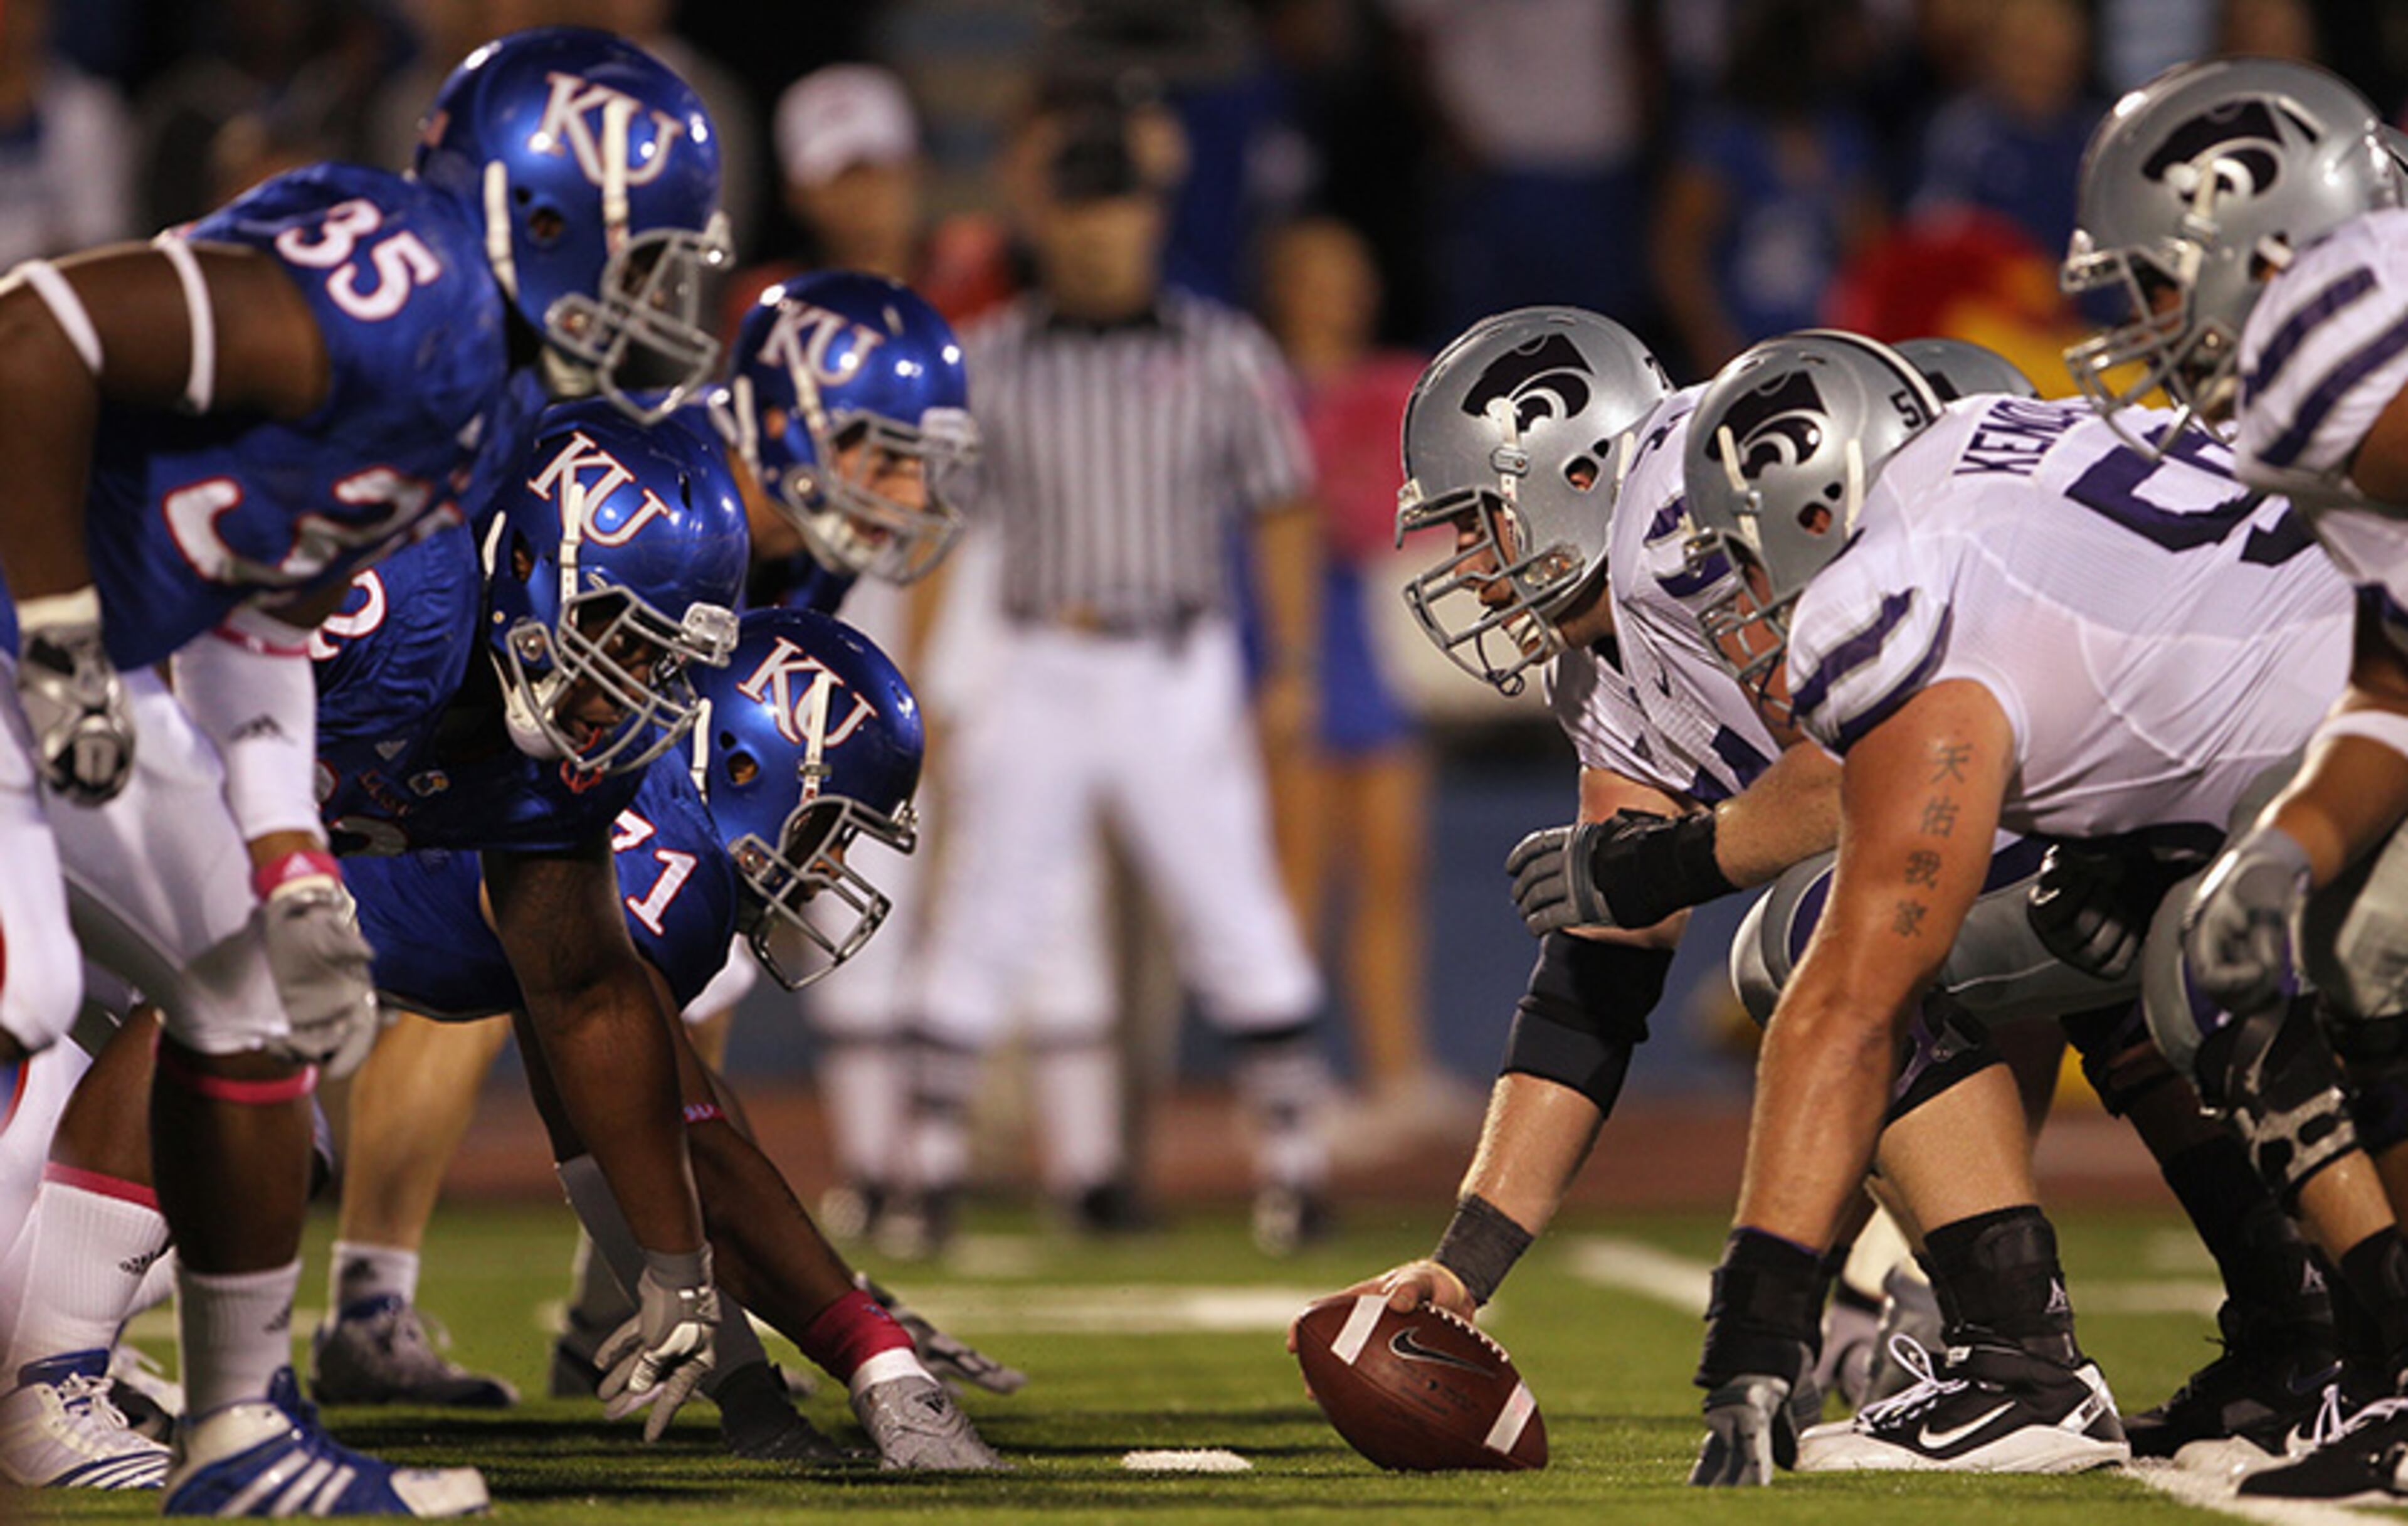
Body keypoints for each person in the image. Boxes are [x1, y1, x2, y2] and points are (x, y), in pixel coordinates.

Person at [0, 23, 728, 1515]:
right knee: (26, 987)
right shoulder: (406, 291)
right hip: (32, 627)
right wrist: (59, 621)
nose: (664, 297)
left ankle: (237, 1435)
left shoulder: (483, 404)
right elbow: (36, 327)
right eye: (647, 255)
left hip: (97, 660)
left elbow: (262, 612)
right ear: (541, 218)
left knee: (249, 989)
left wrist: (284, 851)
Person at [1669, 328, 2373, 1489]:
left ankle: (2045, 1367)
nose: (1744, 595)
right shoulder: (2017, 436)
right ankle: (2316, 1347)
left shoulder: (1889, 591)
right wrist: (2138, 840)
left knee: (2208, 963)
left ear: (1812, 505)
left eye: (1742, 555)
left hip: (2357, 763)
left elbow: (1854, 1000)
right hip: (2353, 703)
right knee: (2167, 943)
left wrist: (1755, 1325)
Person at [902, 89, 1334, 1254]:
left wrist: (1289, 662)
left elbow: (1284, 506)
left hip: (1174, 661)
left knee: (1233, 905)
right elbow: (940, 529)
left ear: (1150, 215)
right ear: (1047, 219)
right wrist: (924, 682)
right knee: (988, 906)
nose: (1099, 231)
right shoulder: (990, 359)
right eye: (1080, 207)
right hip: (1039, 657)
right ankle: (925, 1170)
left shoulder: (1222, 350)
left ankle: (1295, 1167)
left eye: (1117, 206)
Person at [2061, 54, 2408, 1500]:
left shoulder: (2341, 333)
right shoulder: (2324, 380)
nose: (2142, 323)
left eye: (2156, 280)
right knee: (2356, 931)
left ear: (2260, 248)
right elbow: (2394, 686)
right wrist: (2285, 848)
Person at [1255, 215, 1459, 1154]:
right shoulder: (1255, 394)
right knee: (1299, 878)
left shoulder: (1396, 387)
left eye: (1351, 277)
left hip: (1377, 645)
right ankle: (1290, 1084)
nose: (1338, 297)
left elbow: (1414, 512)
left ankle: (1395, 1070)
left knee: (1391, 867)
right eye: (1318, 277)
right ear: (1284, 289)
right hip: (1290, 641)